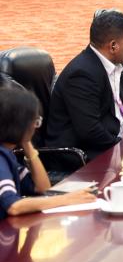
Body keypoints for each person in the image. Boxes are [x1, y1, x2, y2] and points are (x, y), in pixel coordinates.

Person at [44, 10, 123, 160]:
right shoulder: (82, 75)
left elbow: (116, 113)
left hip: (111, 141)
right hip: (81, 155)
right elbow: (90, 131)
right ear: (113, 46)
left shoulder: (114, 65)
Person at [2, 87, 96, 218]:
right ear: (19, 124)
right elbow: (13, 206)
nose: (35, 127)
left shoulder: (8, 154)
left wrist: (28, 146)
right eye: (35, 122)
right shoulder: (1, 156)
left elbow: (42, 188)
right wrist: (66, 199)